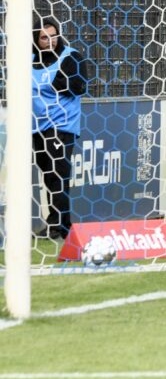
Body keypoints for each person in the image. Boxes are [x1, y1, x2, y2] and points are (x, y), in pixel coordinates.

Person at [32, 16, 90, 240]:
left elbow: (77, 85)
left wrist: (49, 84)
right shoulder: (29, 59)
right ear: (36, 39)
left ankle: (56, 226)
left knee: (58, 174)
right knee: (48, 175)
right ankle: (63, 224)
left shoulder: (71, 56)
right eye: (44, 37)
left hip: (61, 125)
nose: (50, 40)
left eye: (54, 35)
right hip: (37, 126)